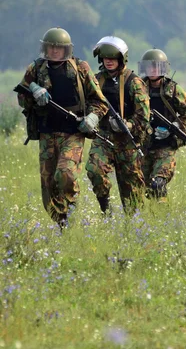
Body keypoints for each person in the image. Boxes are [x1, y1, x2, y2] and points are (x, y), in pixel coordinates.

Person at [15, 27, 108, 228]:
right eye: (51, 47)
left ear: (67, 49)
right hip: (47, 132)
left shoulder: (81, 68)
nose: (55, 51)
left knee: (65, 172)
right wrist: (34, 94)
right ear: (45, 48)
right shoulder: (35, 69)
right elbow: (21, 97)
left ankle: (71, 207)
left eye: (59, 48)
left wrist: (92, 117)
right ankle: (62, 224)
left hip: (73, 132)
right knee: (48, 185)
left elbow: (99, 102)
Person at [86, 36, 150, 214]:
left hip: (128, 143)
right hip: (104, 138)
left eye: (113, 58)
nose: (109, 62)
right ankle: (106, 209)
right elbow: (87, 104)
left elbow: (143, 117)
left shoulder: (134, 82)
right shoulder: (96, 81)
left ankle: (134, 229)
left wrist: (128, 125)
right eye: (106, 58)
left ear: (121, 59)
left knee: (133, 197)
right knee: (94, 170)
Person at [138, 48, 186, 201]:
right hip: (143, 146)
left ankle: (163, 212)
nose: (153, 70)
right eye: (150, 66)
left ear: (163, 68)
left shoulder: (174, 90)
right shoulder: (138, 88)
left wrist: (174, 126)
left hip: (166, 147)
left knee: (158, 184)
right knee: (139, 188)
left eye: (156, 66)